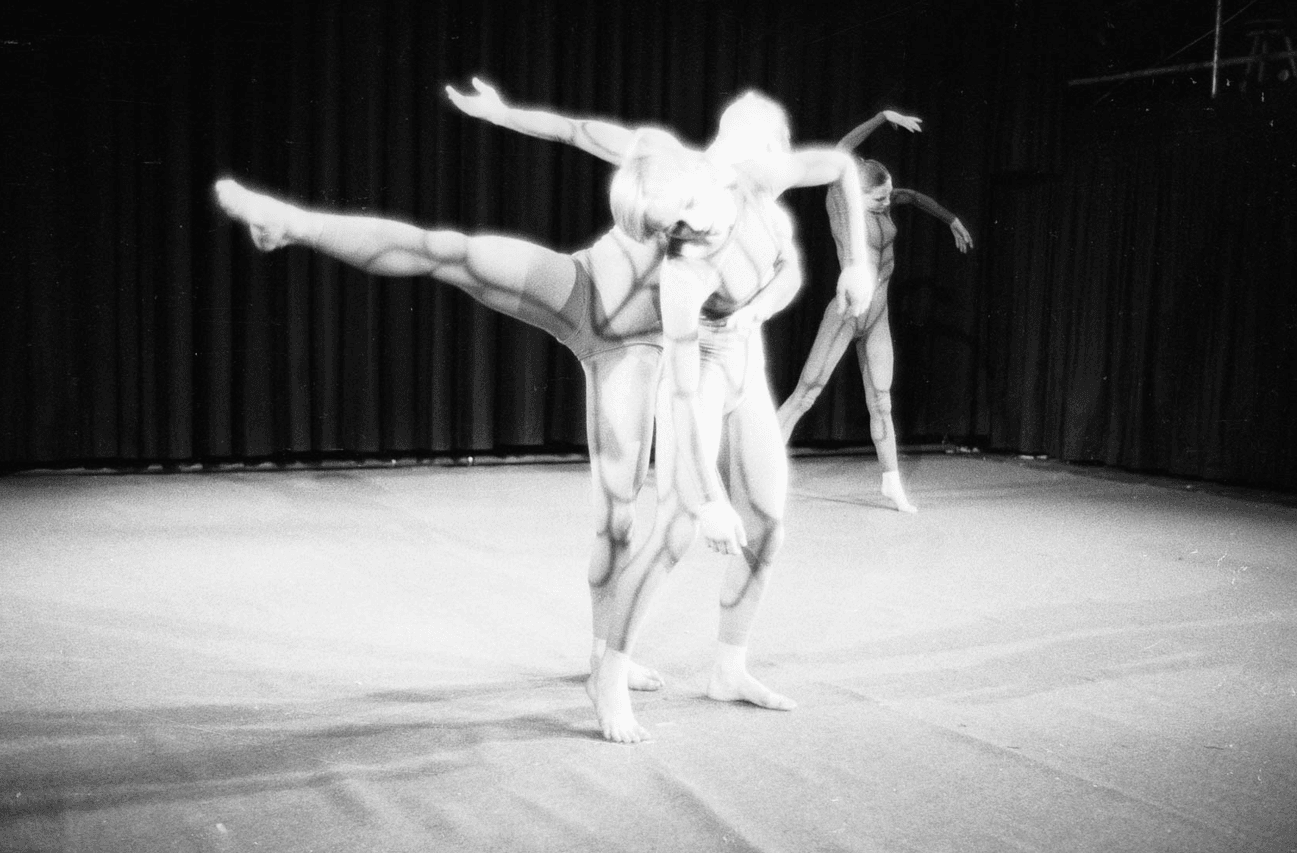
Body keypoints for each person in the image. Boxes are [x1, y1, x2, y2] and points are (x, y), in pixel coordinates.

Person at [215, 85, 876, 743]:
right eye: (659, 223)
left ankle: (605, 658)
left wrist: (848, 268)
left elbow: (790, 229)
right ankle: (296, 223)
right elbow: (576, 129)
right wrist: (503, 115)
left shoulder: (742, 195)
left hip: (636, 350)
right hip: (580, 290)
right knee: (450, 252)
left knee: (618, 518)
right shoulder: (659, 159)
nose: (674, 232)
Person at [775, 110, 974, 513]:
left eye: (888, 196)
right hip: (848, 312)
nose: (887, 203)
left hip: (878, 316)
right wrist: (883, 117)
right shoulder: (840, 202)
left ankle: (891, 483)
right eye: (879, 198)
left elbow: (913, 197)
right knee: (806, 395)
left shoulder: (887, 201)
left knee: (881, 401)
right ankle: (757, 471)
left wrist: (951, 218)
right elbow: (841, 151)